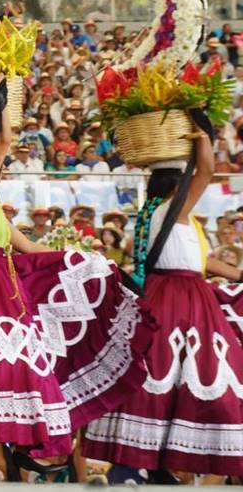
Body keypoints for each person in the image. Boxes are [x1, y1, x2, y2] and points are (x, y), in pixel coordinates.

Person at [0, 74, 152, 470]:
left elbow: (33, 248)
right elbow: (2, 143)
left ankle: (4, 450)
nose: (1, 164)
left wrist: (86, 260)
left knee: (2, 366)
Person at [83, 120, 243, 479]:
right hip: (183, 301)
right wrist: (202, 127)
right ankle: (157, 464)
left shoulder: (164, 216)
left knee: (169, 377)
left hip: (173, 294)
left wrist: (237, 275)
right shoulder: (172, 210)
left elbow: (197, 259)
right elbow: (207, 169)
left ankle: (156, 465)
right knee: (199, 375)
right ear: (177, 189)